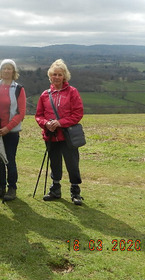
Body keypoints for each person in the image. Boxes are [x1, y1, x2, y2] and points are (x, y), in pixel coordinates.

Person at [35, 59, 84, 205]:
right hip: (51, 136)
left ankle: (75, 192)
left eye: (59, 74)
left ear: (64, 76)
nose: (56, 77)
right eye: (54, 74)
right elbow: (38, 115)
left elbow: (78, 113)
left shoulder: (72, 92)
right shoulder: (45, 94)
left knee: (72, 164)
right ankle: (55, 189)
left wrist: (60, 122)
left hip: (68, 136)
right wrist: (46, 123)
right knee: (54, 163)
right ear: (50, 76)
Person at [0, 59, 26, 201]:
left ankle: (12, 188)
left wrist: (7, 128)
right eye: (4, 68)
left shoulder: (18, 89)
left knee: (9, 160)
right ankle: (0, 187)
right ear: (0, 71)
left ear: (14, 71)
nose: (6, 71)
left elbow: (21, 112)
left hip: (11, 132)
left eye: (9, 68)